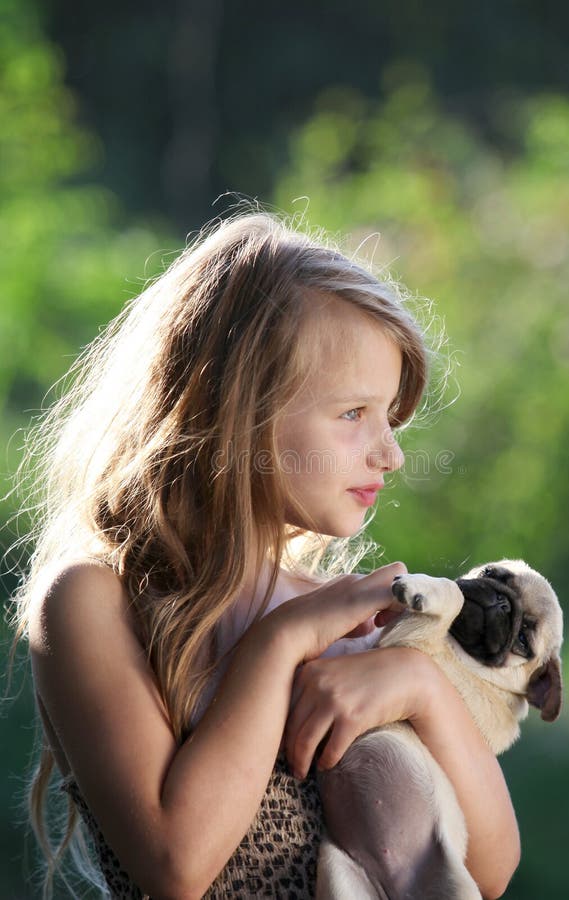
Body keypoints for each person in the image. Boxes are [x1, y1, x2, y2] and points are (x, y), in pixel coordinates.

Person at [10, 211, 520, 899]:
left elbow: (484, 872)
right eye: (351, 415)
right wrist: (278, 645)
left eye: (389, 416)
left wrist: (423, 691)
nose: (390, 453)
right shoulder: (95, 602)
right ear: (234, 410)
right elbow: (176, 863)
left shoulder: (342, 615)